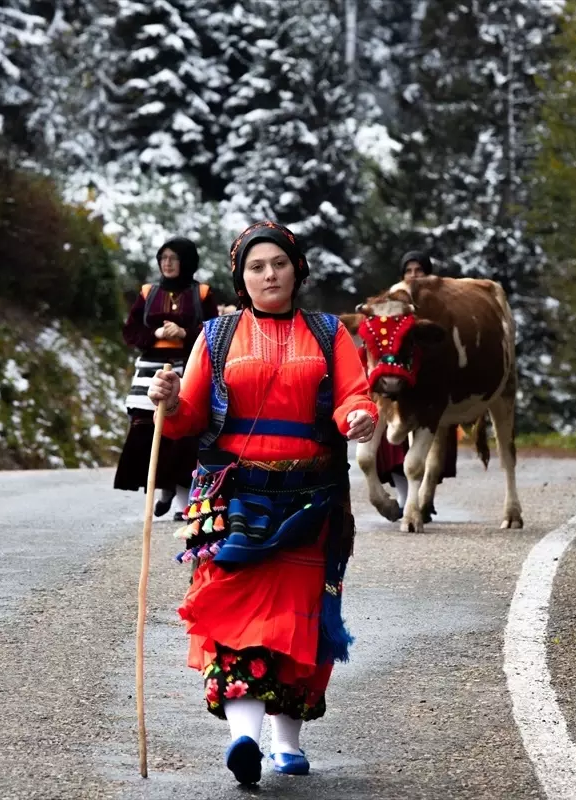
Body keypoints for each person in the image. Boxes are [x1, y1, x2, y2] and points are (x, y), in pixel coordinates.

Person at [147, 220, 376, 785]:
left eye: (278, 263)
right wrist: (169, 402)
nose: (268, 274)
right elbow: (189, 418)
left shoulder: (328, 334)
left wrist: (359, 418)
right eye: (256, 266)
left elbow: (352, 395)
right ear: (240, 278)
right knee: (234, 616)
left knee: (299, 623)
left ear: (297, 270)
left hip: (311, 501)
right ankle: (243, 739)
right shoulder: (217, 339)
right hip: (234, 500)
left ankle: (286, 743)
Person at [115, 237, 219, 518]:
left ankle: (183, 500)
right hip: (150, 368)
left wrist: (186, 334)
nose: (168, 263)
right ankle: (164, 487)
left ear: (187, 261)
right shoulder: (148, 292)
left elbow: (213, 332)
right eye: (163, 258)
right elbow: (130, 331)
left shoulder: (203, 294)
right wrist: (156, 334)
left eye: (174, 258)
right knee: (146, 428)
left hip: (188, 365)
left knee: (184, 430)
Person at [369, 251, 459, 515]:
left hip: (429, 382)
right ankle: (405, 495)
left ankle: (422, 495)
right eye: (408, 270)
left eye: (419, 270)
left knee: (434, 432)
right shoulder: (392, 305)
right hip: (397, 384)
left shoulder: (440, 305)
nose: (413, 275)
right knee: (389, 437)